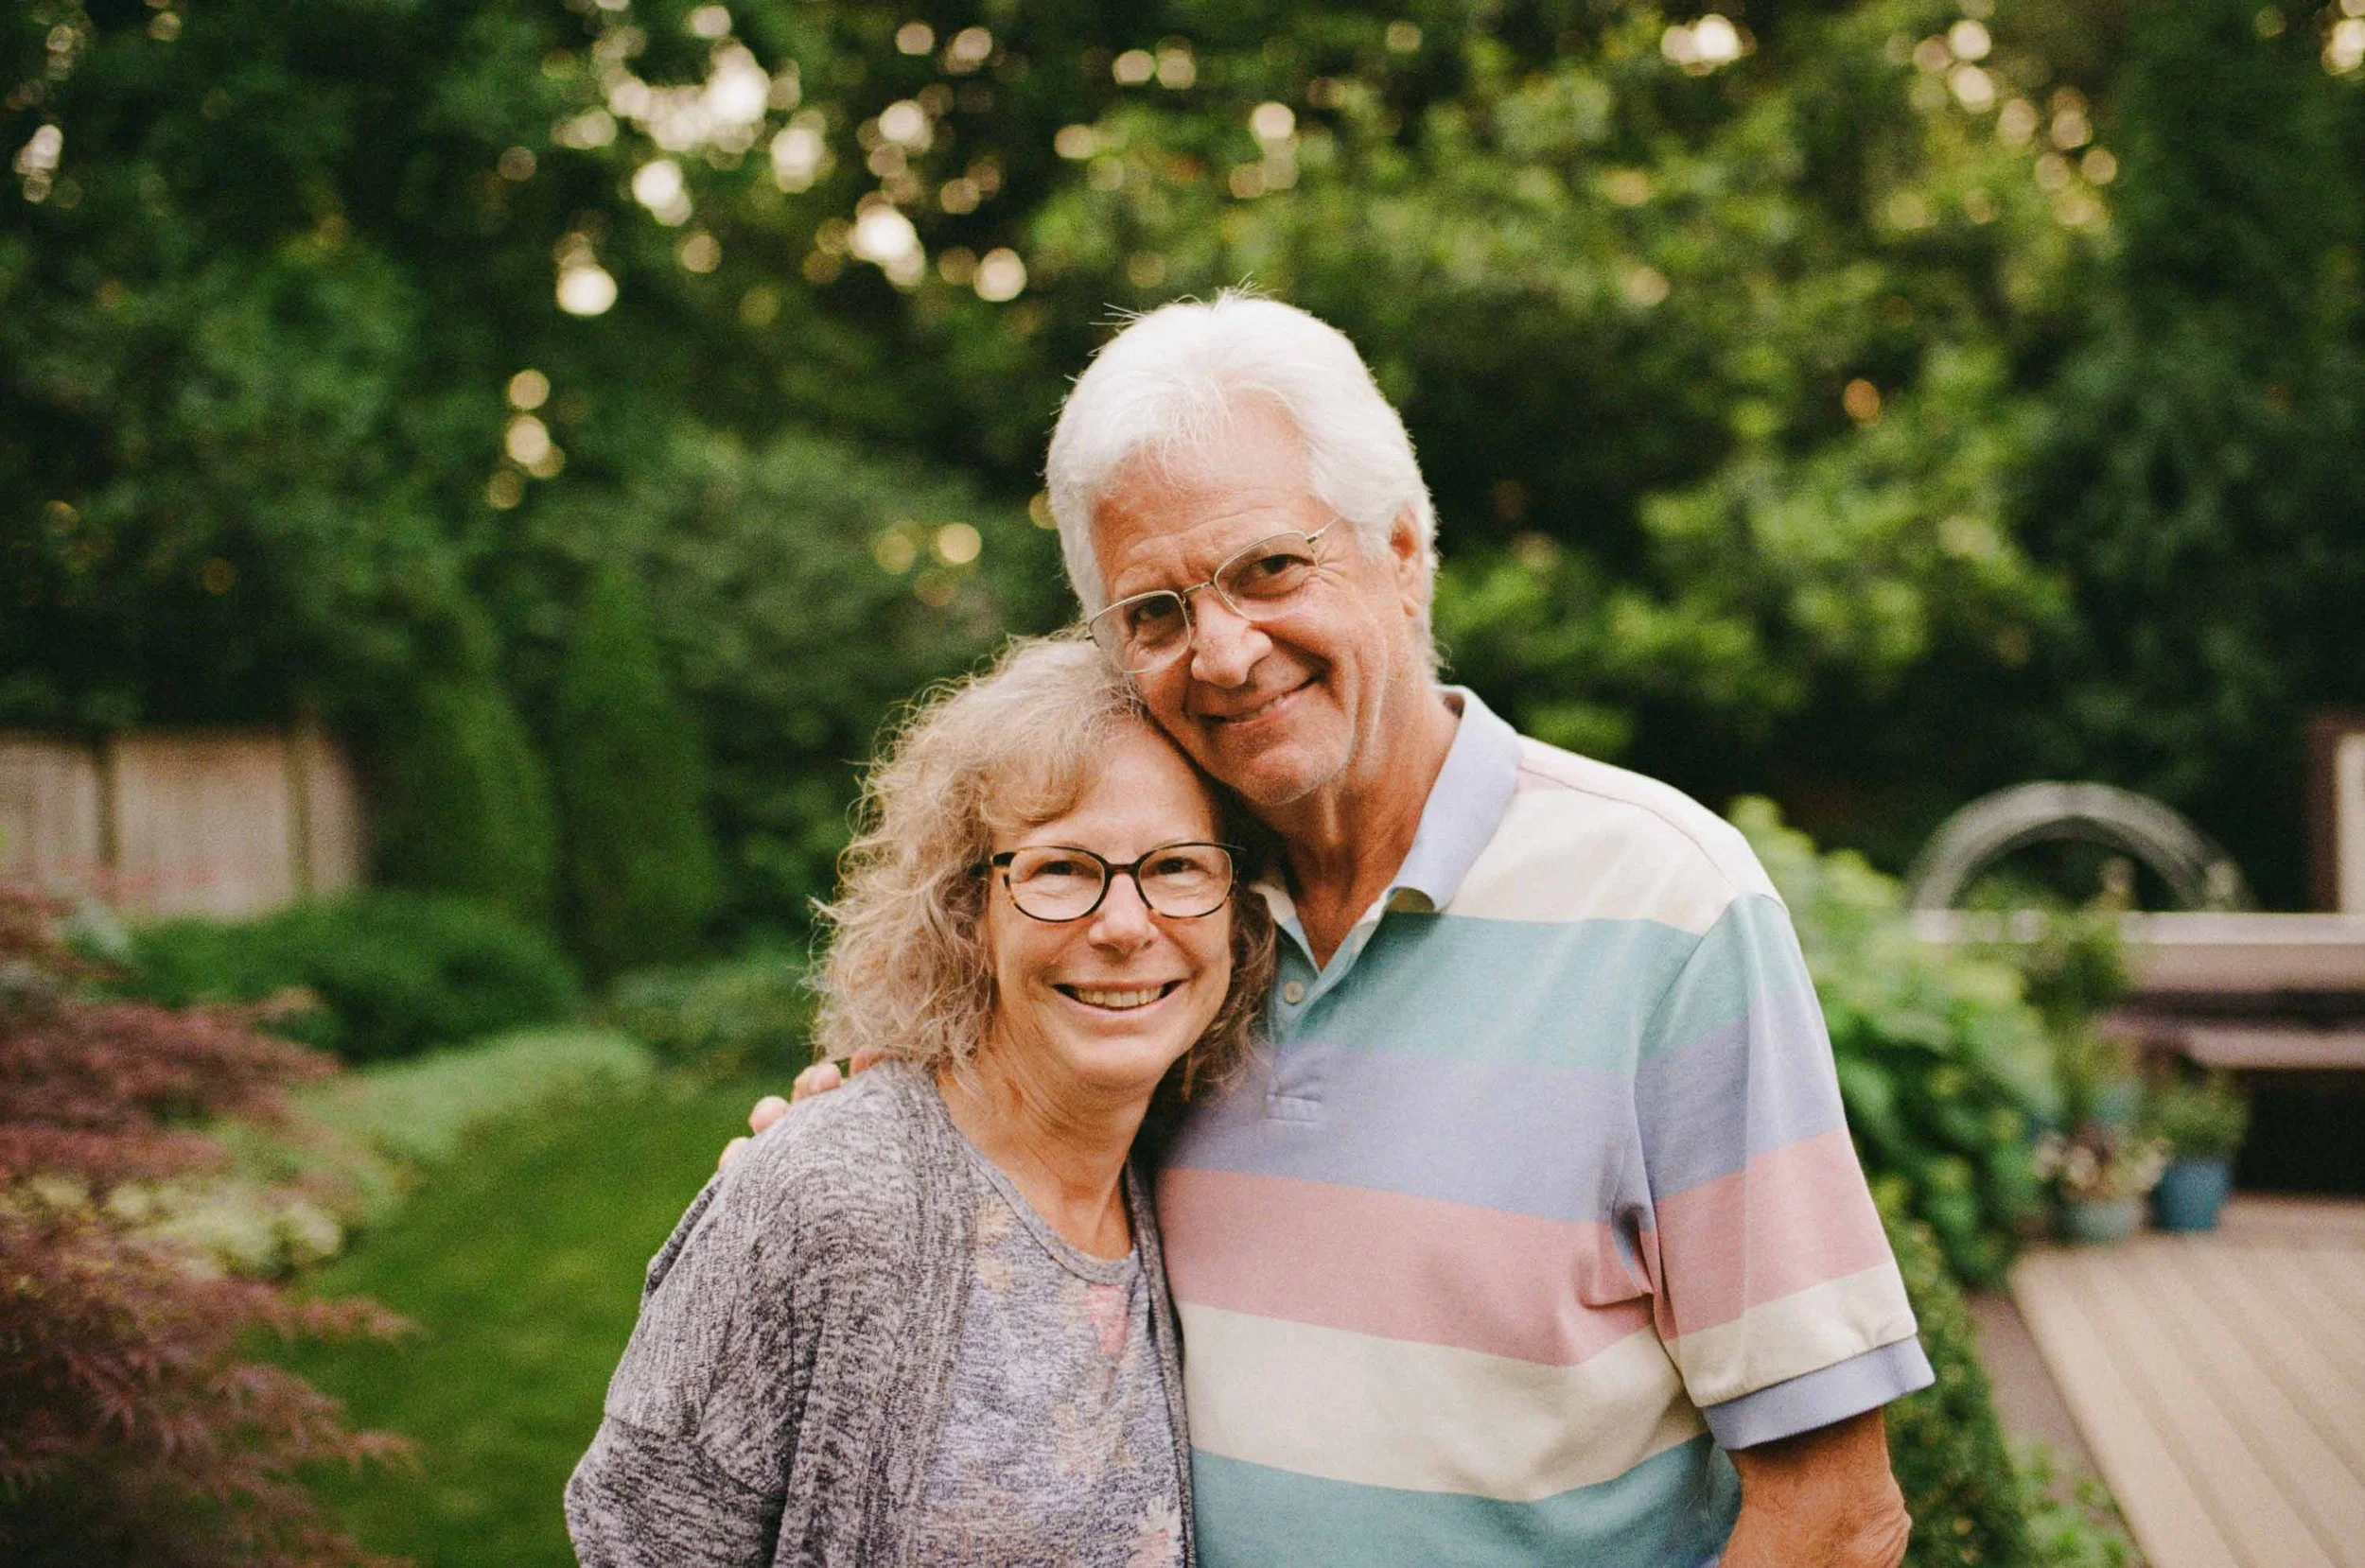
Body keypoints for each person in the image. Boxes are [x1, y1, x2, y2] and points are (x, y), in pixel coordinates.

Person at [755, 291, 1932, 1568]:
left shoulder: (1668, 906)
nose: (1222, 652)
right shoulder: (1157, 933)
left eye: (1269, 567)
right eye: (1155, 612)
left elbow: (1836, 1516)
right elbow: (1006, 1159)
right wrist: (871, 1138)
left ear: (1407, 549)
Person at [567, 634, 1275, 1567]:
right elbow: (640, 1536)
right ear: (967, 911)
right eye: (1060, 868)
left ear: (1236, 907)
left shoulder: (1174, 1173)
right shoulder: (835, 1189)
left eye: (1177, 865)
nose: (1124, 924)